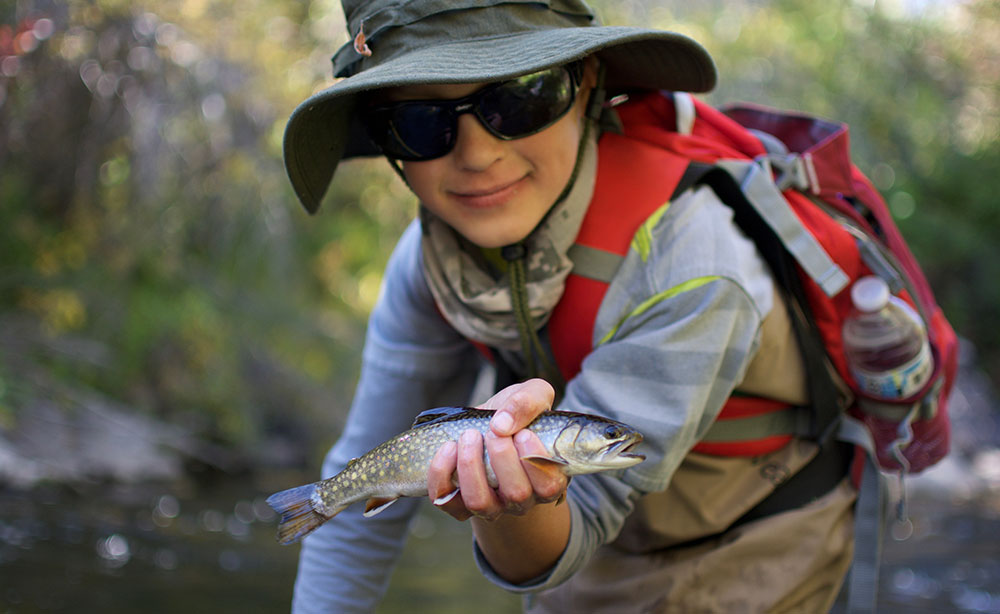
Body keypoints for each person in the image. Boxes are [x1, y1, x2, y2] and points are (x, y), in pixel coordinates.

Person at [281, 1, 858, 612]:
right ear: (385, 142)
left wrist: (510, 511)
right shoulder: (429, 266)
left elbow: (581, 517)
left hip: (759, 548)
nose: (477, 155)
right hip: (576, 546)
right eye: (418, 122)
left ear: (588, 90)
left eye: (520, 99)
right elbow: (360, 486)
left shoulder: (695, 262)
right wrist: (507, 512)